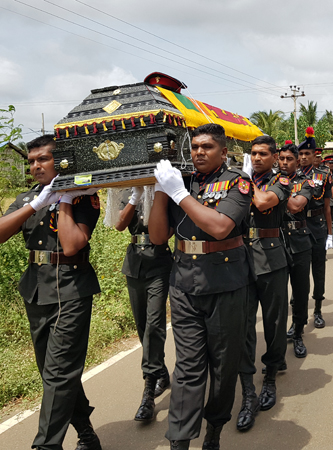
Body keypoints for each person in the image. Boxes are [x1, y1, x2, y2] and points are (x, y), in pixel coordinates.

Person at [0, 135, 102, 450]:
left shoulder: (83, 195)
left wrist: (63, 199)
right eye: (32, 161)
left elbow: (73, 244)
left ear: (60, 161)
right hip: (36, 289)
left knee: (59, 370)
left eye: (43, 159)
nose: (36, 166)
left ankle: (45, 446)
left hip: (71, 286)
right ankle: (87, 435)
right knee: (53, 373)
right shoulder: (28, 199)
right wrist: (36, 204)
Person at [148, 123, 252, 450]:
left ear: (223, 152)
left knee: (223, 367)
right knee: (188, 367)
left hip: (225, 283)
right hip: (184, 284)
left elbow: (221, 227)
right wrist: (162, 191)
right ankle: (179, 440)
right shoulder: (182, 180)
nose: (199, 152)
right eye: (194, 147)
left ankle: (215, 429)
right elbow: (156, 237)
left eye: (207, 147)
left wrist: (178, 194)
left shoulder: (238, 182)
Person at [236, 136, 291, 431]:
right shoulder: (240, 180)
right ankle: (248, 388)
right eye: (253, 154)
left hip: (271, 260)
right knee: (244, 325)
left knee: (273, 321)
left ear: (274, 157)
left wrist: (246, 180)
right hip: (242, 259)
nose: (256, 158)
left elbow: (261, 201)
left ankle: (270, 374)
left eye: (262, 154)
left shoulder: (281, 181)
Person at [114, 187, 172, 421]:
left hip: (159, 260)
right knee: (141, 326)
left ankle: (148, 392)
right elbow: (119, 224)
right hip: (135, 261)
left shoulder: (165, 189)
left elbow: (167, 231)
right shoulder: (128, 190)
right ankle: (161, 371)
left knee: (154, 323)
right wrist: (135, 196)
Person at [279, 142, 314, 358]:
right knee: (278, 294)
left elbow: (295, 206)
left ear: (297, 161)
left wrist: (276, 191)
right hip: (278, 241)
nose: (284, 162)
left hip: (300, 241)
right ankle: (278, 337)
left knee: (300, 291)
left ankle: (299, 331)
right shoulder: (268, 180)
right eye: (281, 158)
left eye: (289, 159)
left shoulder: (305, 183)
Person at [297, 128, 333, 329]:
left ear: (314, 155)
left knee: (318, 271)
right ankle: (298, 314)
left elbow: (327, 207)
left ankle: (318, 309)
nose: (303, 157)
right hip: (298, 227)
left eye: (307, 154)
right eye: (300, 154)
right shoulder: (291, 176)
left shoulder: (324, 175)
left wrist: (330, 233)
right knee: (298, 272)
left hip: (317, 226)